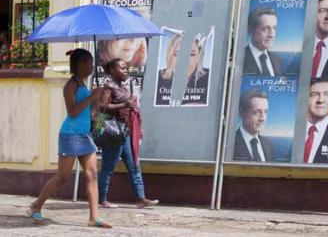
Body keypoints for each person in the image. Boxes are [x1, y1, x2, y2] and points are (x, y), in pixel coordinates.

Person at [27, 49, 112, 228]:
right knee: (62, 177)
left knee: (92, 174)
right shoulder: (71, 85)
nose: (92, 66)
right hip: (71, 134)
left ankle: (94, 217)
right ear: (81, 64)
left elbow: (92, 115)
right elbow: (72, 111)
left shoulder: (84, 84)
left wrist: (98, 101)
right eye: (89, 62)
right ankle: (36, 205)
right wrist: (91, 97)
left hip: (84, 134)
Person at [98, 58, 159, 208]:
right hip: (114, 133)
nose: (126, 71)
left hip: (127, 132)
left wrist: (138, 128)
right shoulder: (109, 86)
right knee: (108, 168)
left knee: (134, 166)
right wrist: (124, 104)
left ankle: (141, 198)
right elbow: (102, 107)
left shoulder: (123, 87)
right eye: (122, 68)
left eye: (126, 68)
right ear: (112, 70)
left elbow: (131, 110)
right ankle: (102, 199)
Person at [156, 33, 209, 105]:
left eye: (191, 54)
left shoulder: (209, 79)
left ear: (199, 57)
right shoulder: (157, 79)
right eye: (177, 54)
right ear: (170, 56)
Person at [233, 89, 274, 162]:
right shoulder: (230, 144)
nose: (263, 118)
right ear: (242, 114)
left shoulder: (269, 146)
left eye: (266, 112)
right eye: (256, 112)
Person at [243, 7, 284, 76]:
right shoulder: (240, 59)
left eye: (274, 28)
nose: (272, 34)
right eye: (265, 29)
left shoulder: (278, 61)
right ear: (250, 30)